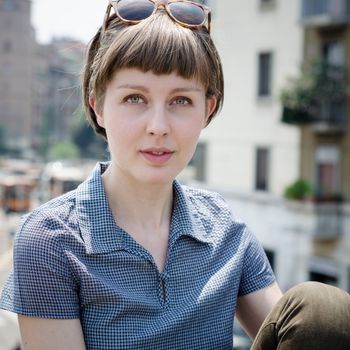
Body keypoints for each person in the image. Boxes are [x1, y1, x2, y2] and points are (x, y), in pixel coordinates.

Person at [0, 1, 349, 349]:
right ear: (98, 105)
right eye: (135, 98)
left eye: (181, 100)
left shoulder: (223, 226)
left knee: (320, 309)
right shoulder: (52, 239)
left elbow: (303, 332)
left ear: (207, 109)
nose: (158, 127)